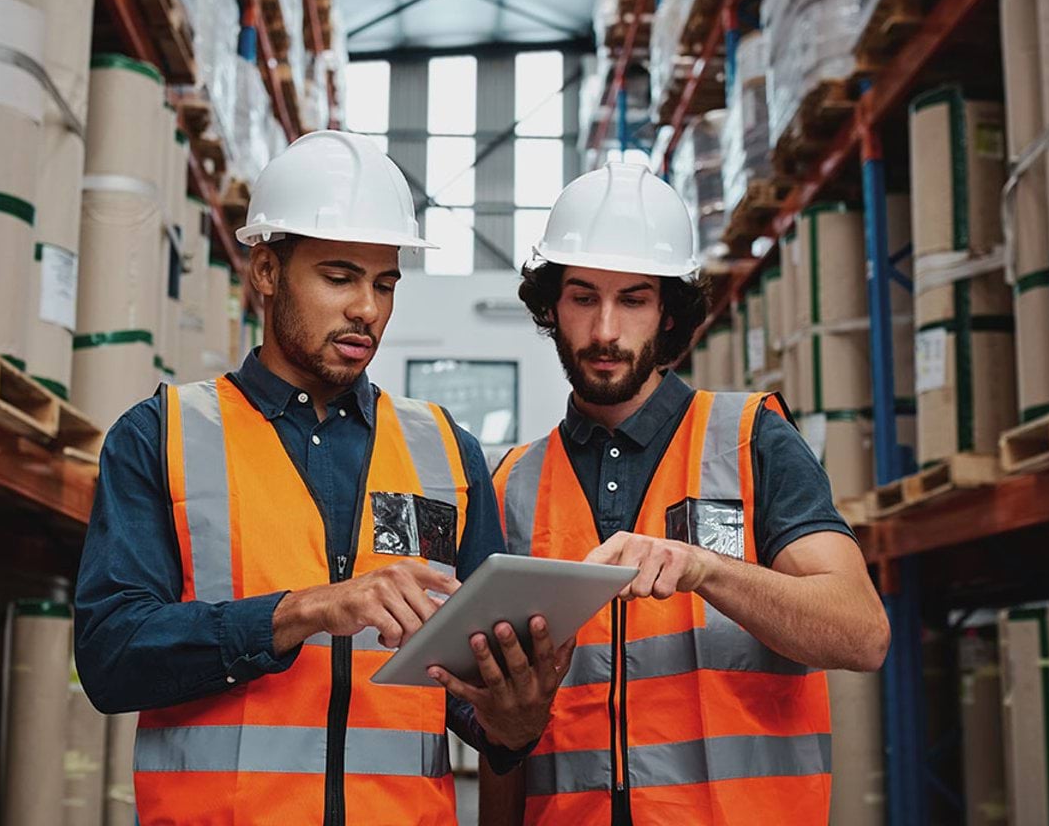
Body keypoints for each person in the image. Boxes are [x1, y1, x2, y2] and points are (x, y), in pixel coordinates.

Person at [73, 131, 569, 825]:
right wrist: (302, 611)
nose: (368, 307)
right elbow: (111, 655)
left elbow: (471, 699)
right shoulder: (162, 436)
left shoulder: (448, 455)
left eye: (385, 283)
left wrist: (512, 718)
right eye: (340, 277)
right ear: (267, 270)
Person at [479, 163, 891, 825]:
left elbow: (861, 634)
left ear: (669, 312)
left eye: (633, 299)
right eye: (583, 297)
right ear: (551, 306)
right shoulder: (512, 484)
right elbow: (502, 734)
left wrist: (708, 568)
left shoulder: (752, 438)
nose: (606, 330)